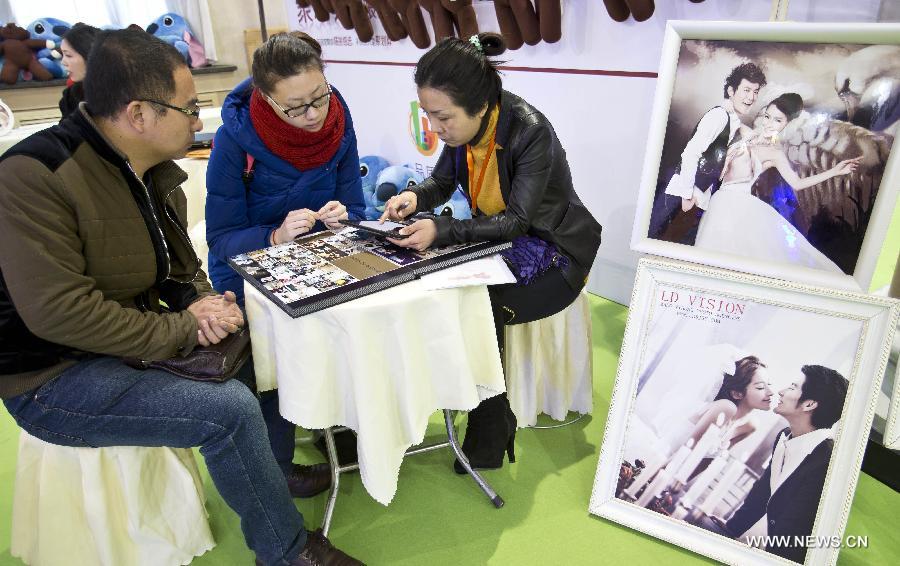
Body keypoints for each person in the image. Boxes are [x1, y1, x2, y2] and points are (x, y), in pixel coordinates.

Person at [0, 29, 361, 566]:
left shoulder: (139, 164)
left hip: (124, 342)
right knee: (229, 410)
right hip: (51, 377)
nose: (199, 120)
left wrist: (207, 304)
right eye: (190, 108)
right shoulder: (34, 176)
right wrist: (182, 327)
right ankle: (286, 553)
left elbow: (177, 268)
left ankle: (272, 469)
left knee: (264, 340)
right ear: (140, 114)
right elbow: (59, 313)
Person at [380, 33, 603, 473]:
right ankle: (481, 421)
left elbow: (518, 221)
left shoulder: (530, 131)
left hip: (556, 253)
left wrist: (441, 230)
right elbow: (441, 182)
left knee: (477, 305)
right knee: (442, 291)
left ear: (481, 106)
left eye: (442, 118)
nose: (436, 128)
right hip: (501, 243)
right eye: (429, 116)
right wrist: (415, 197)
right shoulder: (466, 125)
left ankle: (488, 431)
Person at [205, 32, 365, 492]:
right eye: (296, 108)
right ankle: (275, 470)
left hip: (319, 255)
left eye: (319, 96)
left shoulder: (338, 117)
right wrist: (273, 235)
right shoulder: (235, 140)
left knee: (354, 324)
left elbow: (355, 206)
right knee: (270, 355)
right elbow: (221, 239)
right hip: (248, 268)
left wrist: (343, 217)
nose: (314, 115)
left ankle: (346, 430)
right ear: (266, 100)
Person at [694, 93, 860, 272]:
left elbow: (797, 183)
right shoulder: (745, 133)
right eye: (767, 116)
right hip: (719, 201)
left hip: (738, 205)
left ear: (786, 124)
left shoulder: (775, 154)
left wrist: (835, 171)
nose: (769, 123)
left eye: (777, 120)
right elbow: (722, 115)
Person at [714, 365, 848, 563]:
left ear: (809, 404)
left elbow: (798, 527)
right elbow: (762, 493)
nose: (780, 391)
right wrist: (732, 528)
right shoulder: (784, 435)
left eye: (793, 387)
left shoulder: (828, 460)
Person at [651, 62, 767, 244]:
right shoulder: (718, 116)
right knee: (660, 246)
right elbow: (691, 153)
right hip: (681, 196)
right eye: (746, 90)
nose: (751, 97)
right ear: (731, 91)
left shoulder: (733, 121)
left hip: (696, 199)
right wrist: (687, 195)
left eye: (755, 91)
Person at [687, 355, 773, 449]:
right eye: (760, 387)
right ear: (737, 393)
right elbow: (685, 451)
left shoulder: (749, 425)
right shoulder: (725, 407)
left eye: (768, 384)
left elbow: (712, 461)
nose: (771, 392)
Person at [58, 22, 100, 119]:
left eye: (68, 55)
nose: (63, 62)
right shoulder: (70, 97)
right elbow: (65, 131)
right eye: (62, 55)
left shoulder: (123, 95)